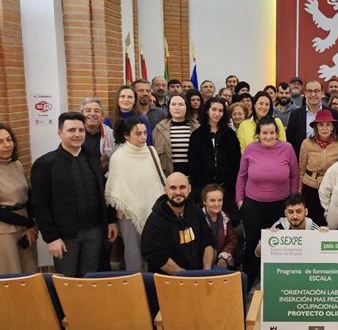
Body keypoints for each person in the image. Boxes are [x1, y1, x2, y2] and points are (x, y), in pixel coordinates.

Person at [31, 112, 118, 277]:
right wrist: (51, 238)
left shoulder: (93, 158)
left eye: (81, 130)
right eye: (71, 130)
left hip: (94, 232)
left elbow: (102, 193)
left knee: (90, 277)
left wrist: (111, 220)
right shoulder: (45, 164)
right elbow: (40, 205)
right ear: (60, 133)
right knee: (67, 280)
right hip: (65, 236)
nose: (77, 134)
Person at [236, 116, 299, 285]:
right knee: (253, 243)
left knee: (279, 244)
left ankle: (278, 281)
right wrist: (240, 201)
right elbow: (241, 177)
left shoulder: (287, 148)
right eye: (264, 133)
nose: (268, 136)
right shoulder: (250, 149)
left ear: (277, 133)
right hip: (253, 204)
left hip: (280, 204)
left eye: (272, 132)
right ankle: (249, 279)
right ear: (258, 134)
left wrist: (292, 201)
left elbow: (294, 176)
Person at [105, 116, 165, 271]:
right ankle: (136, 289)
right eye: (138, 133)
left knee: (154, 252)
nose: (143, 137)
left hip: (153, 213)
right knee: (134, 255)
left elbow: (158, 181)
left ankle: (153, 286)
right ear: (126, 135)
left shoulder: (151, 151)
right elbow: (115, 191)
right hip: (129, 215)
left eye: (145, 133)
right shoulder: (119, 157)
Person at [140, 172, 217, 274]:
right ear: (165, 190)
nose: (178, 192)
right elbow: (157, 256)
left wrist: (206, 271)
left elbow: (208, 242)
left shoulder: (196, 212)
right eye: (173, 188)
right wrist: (186, 278)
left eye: (182, 187)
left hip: (199, 275)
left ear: (189, 189)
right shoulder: (155, 221)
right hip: (169, 281)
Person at [188, 97, 241, 221]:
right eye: (214, 109)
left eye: (221, 111)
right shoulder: (197, 135)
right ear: (207, 111)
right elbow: (193, 162)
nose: (217, 113)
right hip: (203, 188)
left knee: (227, 221)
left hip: (226, 187)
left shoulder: (230, 134)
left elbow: (235, 161)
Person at [298, 109, 338, 226]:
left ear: (332, 127)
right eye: (321, 125)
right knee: (311, 220)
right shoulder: (306, 143)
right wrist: (299, 190)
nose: (324, 128)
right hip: (310, 187)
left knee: (329, 220)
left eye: (328, 125)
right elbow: (301, 168)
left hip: (331, 188)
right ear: (316, 127)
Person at [0, 123, 37, 273]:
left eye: (9, 140)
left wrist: (32, 225)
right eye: (0, 142)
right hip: (4, 231)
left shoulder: (17, 164)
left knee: (29, 270)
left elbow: (28, 195)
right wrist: (29, 223)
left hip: (24, 226)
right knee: (10, 272)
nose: (7, 145)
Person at [287, 80, 338, 156]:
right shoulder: (295, 114)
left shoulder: (333, 114)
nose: (313, 94)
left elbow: (337, 137)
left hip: (328, 161)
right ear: (305, 93)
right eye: (309, 91)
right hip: (301, 160)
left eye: (316, 91)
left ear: (322, 93)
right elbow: (290, 140)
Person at [153, 94, 199, 176]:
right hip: (168, 176)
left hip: (194, 177)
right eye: (173, 104)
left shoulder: (197, 127)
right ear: (169, 108)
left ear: (187, 107)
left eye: (181, 104)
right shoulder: (159, 128)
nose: (177, 107)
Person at [201, 184, 239, 270]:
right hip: (202, 263)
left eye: (220, 200)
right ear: (204, 201)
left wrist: (223, 257)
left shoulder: (226, 217)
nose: (217, 204)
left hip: (220, 258)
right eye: (212, 200)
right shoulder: (196, 218)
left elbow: (232, 240)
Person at [80, 98, 115, 172]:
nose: (92, 114)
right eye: (88, 110)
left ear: (102, 116)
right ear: (81, 115)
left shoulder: (111, 135)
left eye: (96, 111)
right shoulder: (75, 134)